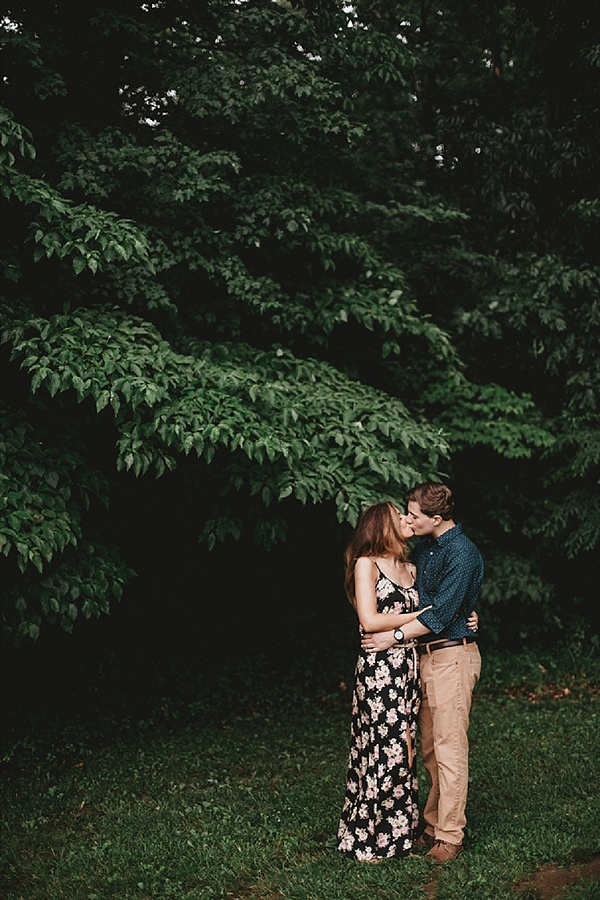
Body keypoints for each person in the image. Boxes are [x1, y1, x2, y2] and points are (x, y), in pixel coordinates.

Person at [361, 482, 483, 865]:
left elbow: (443, 614)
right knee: (429, 749)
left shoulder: (462, 553)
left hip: (452, 657)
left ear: (436, 518)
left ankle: (450, 834)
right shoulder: (426, 548)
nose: (407, 519)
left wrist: (392, 636)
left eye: (413, 514)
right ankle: (431, 823)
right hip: (423, 657)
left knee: (449, 748)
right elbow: (423, 602)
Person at [337, 500, 428, 862]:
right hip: (379, 667)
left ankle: (402, 832)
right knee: (381, 747)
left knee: (405, 748)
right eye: (401, 516)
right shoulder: (367, 564)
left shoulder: (411, 567)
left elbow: (440, 610)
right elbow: (370, 620)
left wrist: (467, 615)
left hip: (409, 665)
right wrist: (422, 615)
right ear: (383, 525)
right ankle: (369, 835)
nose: (408, 520)